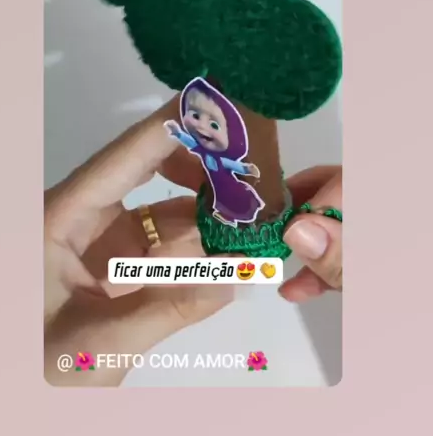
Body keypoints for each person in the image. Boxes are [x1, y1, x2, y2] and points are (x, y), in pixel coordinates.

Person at [44, 96, 342, 386]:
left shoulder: (231, 150)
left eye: (211, 123)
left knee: (244, 201)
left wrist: (246, 170)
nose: (205, 127)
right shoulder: (212, 151)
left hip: (243, 210)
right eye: (199, 120)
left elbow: (238, 163)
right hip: (228, 215)